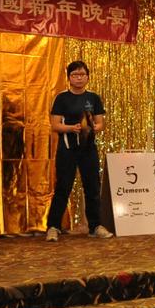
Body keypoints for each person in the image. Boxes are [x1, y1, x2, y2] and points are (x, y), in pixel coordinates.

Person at [44, 60, 112, 241]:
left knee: (92, 187)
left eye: (82, 74)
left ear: (88, 77)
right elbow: (55, 125)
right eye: (75, 75)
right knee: (63, 187)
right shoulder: (62, 98)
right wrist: (70, 128)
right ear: (69, 78)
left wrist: (94, 127)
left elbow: (100, 122)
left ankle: (95, 226)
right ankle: (53, 226)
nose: (79, 78)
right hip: (67, 149)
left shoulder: (93, 98)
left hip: (88, 148)